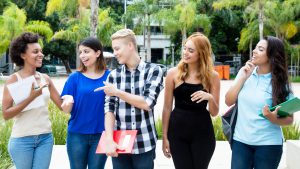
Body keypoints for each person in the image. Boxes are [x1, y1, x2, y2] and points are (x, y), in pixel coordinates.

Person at [225, 36, 294, 169]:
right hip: (240, 142)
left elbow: (289, 119)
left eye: (260, 49)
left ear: (271, 55)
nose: (254, 51)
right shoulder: (244, 72)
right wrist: (244, 76)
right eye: (255, 48)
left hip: (268, 145)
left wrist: (272, 118)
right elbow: (228, 101)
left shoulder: (280, 82)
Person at [99, 29, 164, 169]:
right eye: (113, 49)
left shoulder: (153, 70)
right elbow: (109, 109)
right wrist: (109, 140)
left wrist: (117, 92)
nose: (115, 53)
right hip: (119, 143)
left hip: (144, 142)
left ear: (130, 46)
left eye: (117, 48)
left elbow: (148, 103)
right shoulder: (113, 76)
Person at [1, 32, 63, 169]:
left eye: (41, 51)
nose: (41, 54)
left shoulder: (45, 78)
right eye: (35, 51)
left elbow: (62, 105)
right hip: (22, 140)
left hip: (45, 138)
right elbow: (6, 114)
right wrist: (32, 97)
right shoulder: (13, 80)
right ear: (23, 55)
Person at [162, 32, 220, 169]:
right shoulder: (173, 74)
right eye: (185, 48)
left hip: (202, 134)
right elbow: (166, 108)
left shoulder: (212, 76)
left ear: (201, 54)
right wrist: (164, 137)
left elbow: (214, 112)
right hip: (177, 133)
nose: (185, 53)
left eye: (191, 50)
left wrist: (210, 97)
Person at [61, 37, 109, 169]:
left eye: (86, 51)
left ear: (98, 53)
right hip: (77, 135)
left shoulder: (110, 77)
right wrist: (67, 103)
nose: (82, 55)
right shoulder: (74, 78)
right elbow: (66, 109)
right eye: (80, 52)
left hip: (101, 134)